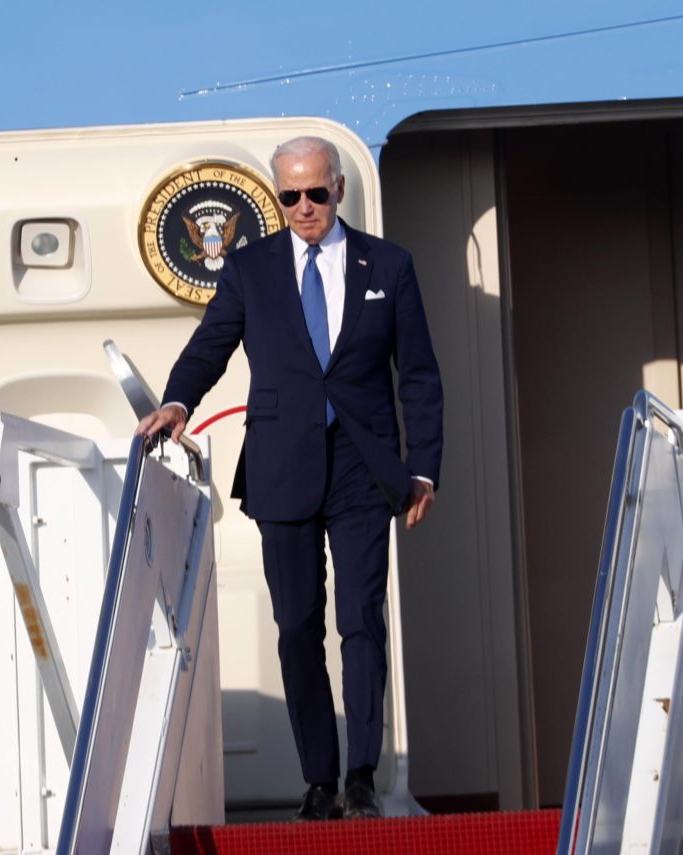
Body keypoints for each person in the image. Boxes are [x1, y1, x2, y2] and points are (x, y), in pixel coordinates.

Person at [137, 136, 443, 821]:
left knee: (361, 619)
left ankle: (360, 776)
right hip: (282, 465)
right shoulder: (250, 269)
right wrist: (179, 401)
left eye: (317, 192)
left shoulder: (388, 265)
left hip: (364, 467)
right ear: (277, 198)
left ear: (338, 189)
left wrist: (423, 468)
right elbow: (211, 345)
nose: (305, 206)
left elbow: (419, 374)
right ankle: (319, 781)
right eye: (290, 196)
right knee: (297, 626)